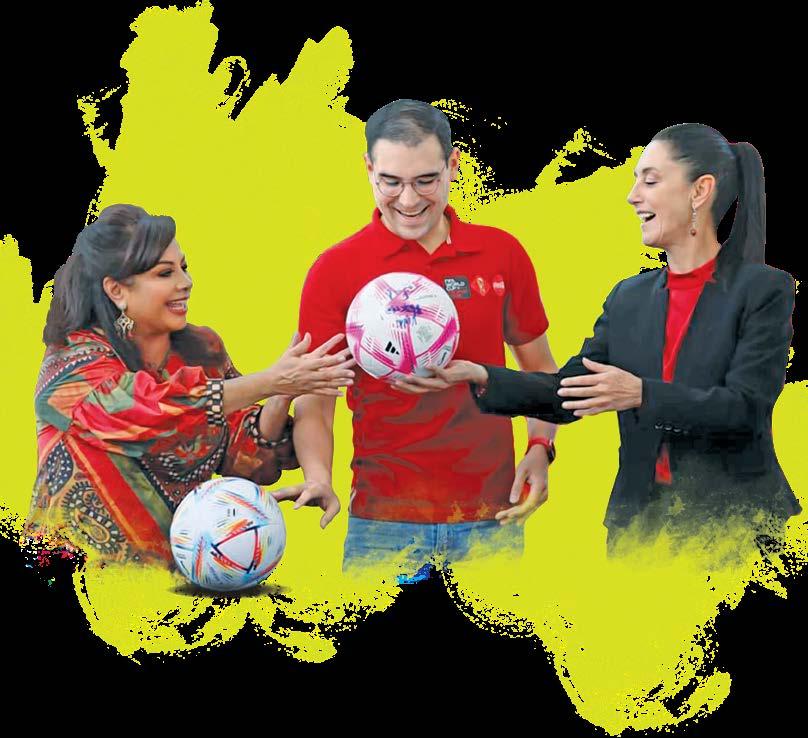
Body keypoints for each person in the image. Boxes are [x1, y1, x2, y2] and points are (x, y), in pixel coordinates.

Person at [431, 123, 801, 557]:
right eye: (634, 180)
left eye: (650, 180)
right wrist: (481, 375)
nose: (632, 196)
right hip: (639, 531)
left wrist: (641, 394)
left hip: (737, 532)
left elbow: (745, 409)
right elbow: (565, 392)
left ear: (700, 191)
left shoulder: (764, 289)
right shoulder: (629, 297)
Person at [287, 99, 559, 578]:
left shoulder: (501, 253)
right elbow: (315, 399)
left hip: (492, 519)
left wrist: (540, 447)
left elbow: (539, 370)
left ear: (453, 165)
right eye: (390, 182)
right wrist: (319, 476)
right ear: (368, 168)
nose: (408, 200)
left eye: (426, 180)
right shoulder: (335, 269)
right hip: (382, 524)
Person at [25, 204, 355, 565]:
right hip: (73, 573)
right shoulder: (70, 361)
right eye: (165, 273)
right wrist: (271, 380)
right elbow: (144, 413)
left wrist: (281, 393)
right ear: (116, 290)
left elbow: (246, 461)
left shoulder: (203, 350)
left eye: (184, 267)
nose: (185, 282)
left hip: (177, 582)